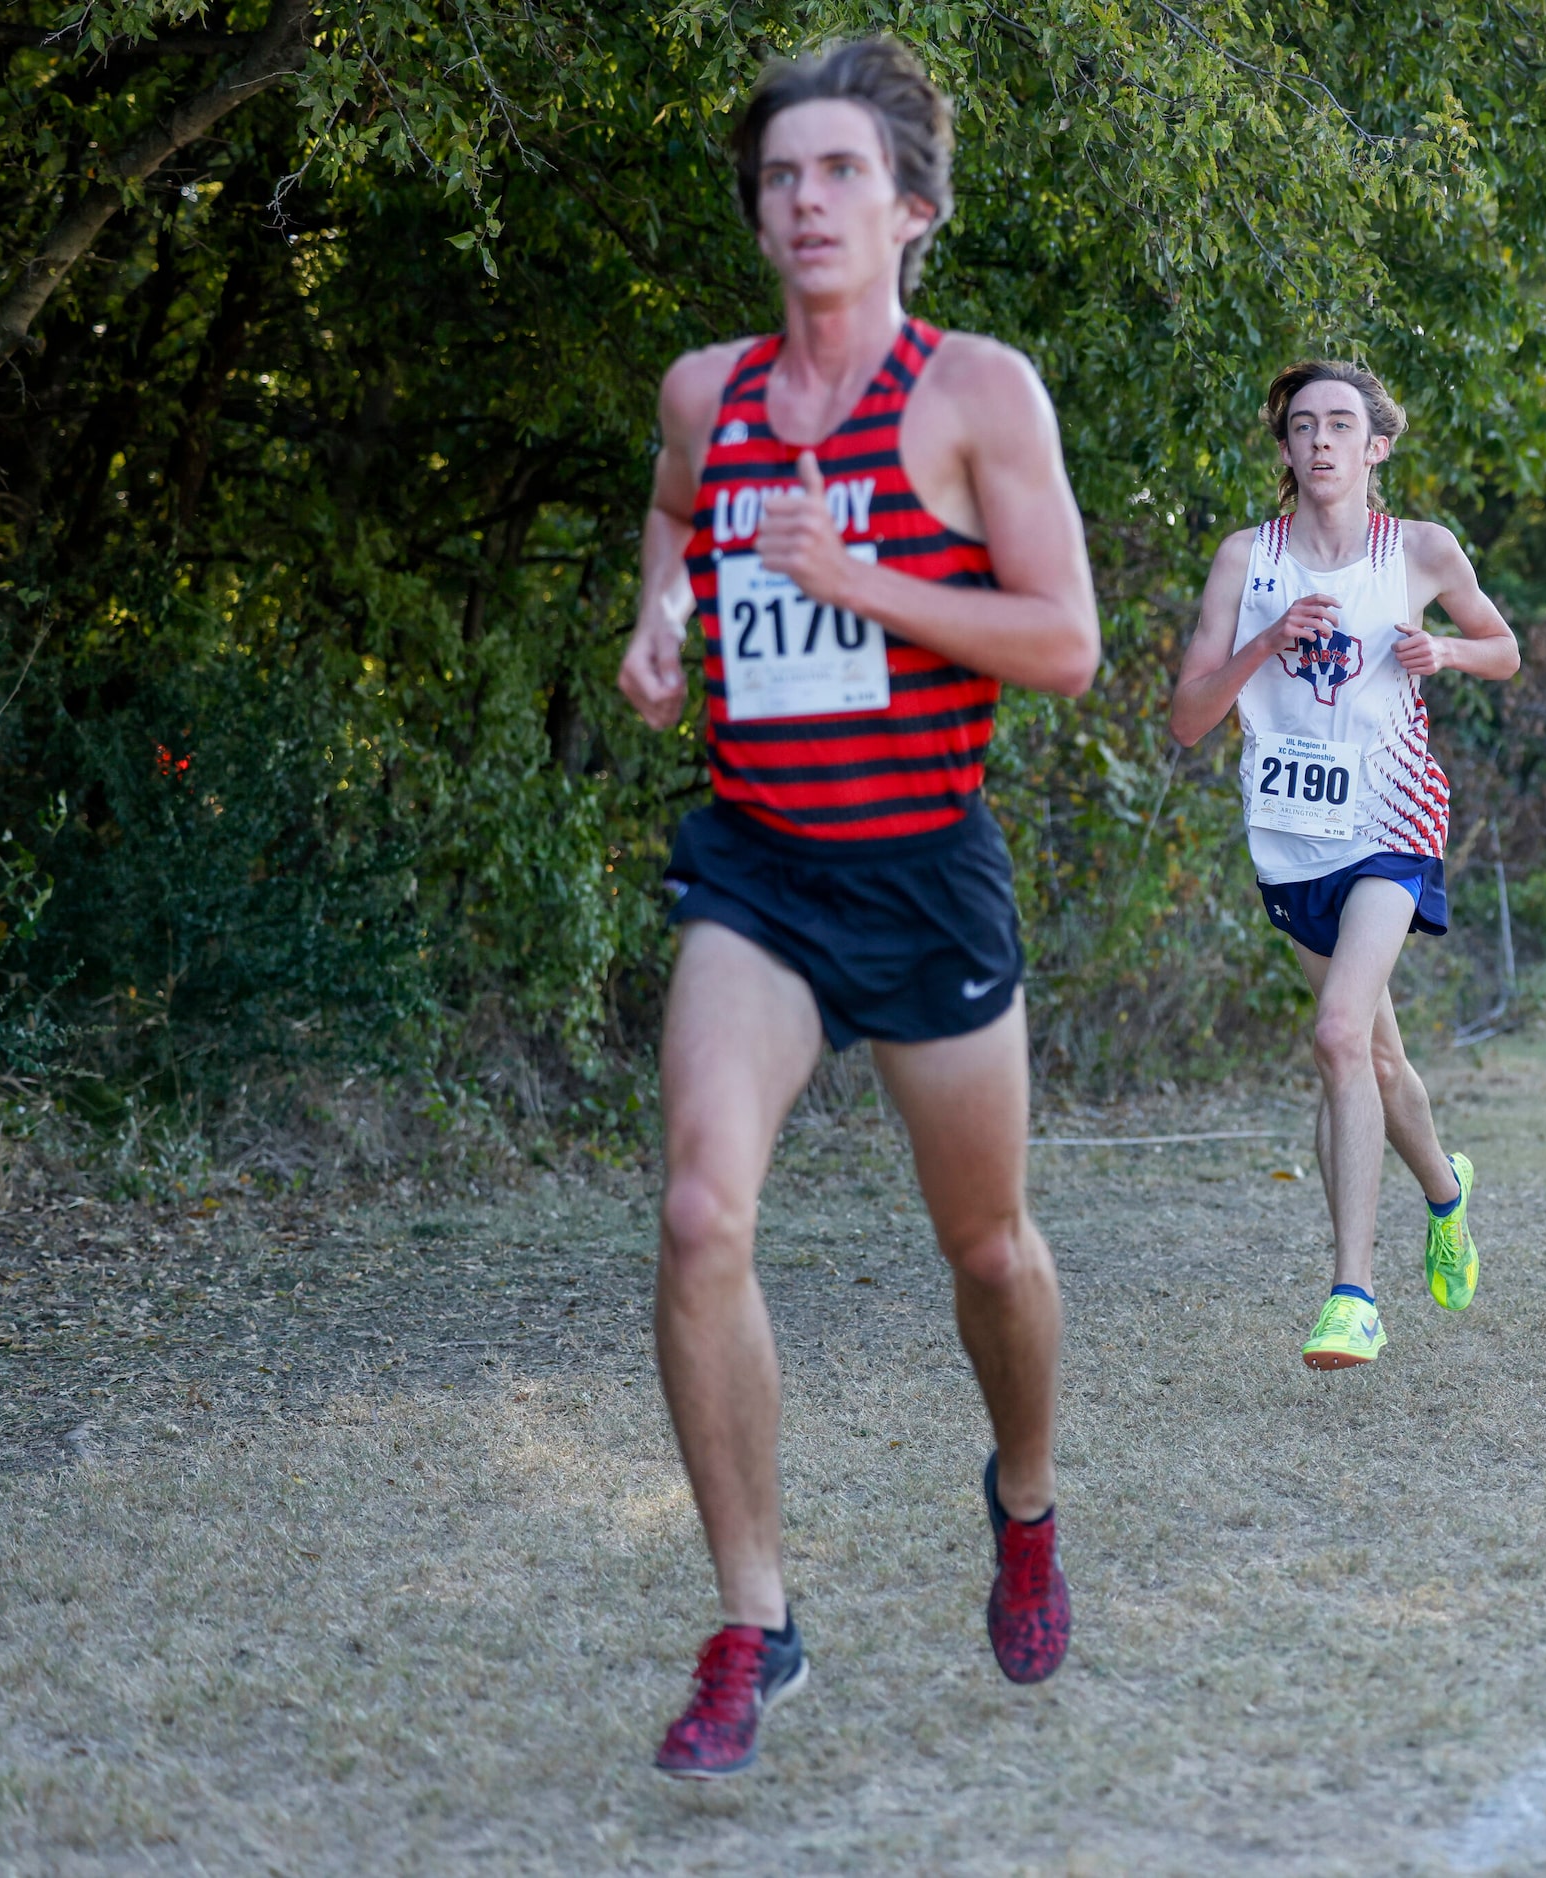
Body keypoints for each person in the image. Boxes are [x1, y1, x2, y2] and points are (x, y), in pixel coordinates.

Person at [613, 39, 1102, 1778]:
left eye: (838, 173)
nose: (804, 201)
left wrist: (858, 579)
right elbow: (677, 518)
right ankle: (755, 1617)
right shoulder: (706, 390)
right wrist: (661, 619)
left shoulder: (977, 394)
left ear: (911, 207)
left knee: (989, 1251)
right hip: (759, 865)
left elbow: (1063, 643)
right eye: (778, 176)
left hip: (922, 867)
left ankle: (1026, 1500)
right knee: (694, 1212)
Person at [1171, 359, 1518, 1369]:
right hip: (1287, 842)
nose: (1319, 441)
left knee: (1333, 1036)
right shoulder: (1247, 560)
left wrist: (1442, 653)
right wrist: (1264, 642)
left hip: (1391, 823)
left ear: (1375, 446)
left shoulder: (1414, 549)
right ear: (1283, 450)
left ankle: (1351, 1295)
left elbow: (1499, 647)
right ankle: (1446, 1191)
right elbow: (1190, 721)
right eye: (1301, 427)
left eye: (1340, 426)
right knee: (1373, 1058)